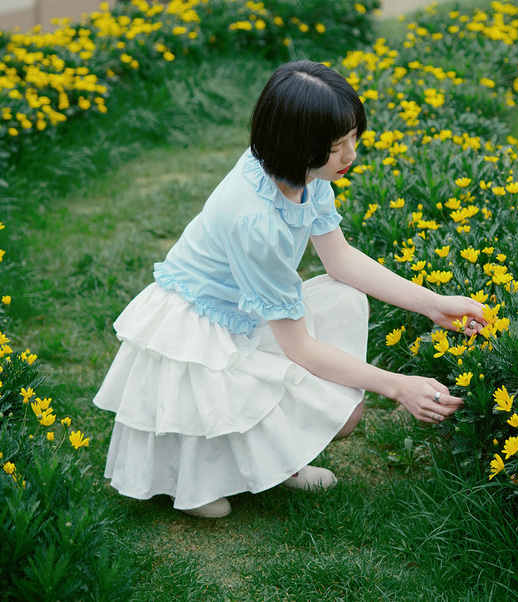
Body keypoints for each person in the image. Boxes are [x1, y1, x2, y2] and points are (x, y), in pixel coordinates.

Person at [94, 60, 486, 519]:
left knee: (343, 298)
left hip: (247, 307)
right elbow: (299, 347)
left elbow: (339, 259)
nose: (350, 156)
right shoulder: (254, 220)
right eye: (337, 146)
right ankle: (196, 479)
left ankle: (280, 459)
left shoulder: (304, 175)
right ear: (296, 144)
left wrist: (434, 304)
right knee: (220, 483)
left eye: (353, 138)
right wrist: (398, 387)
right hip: (197, 326)